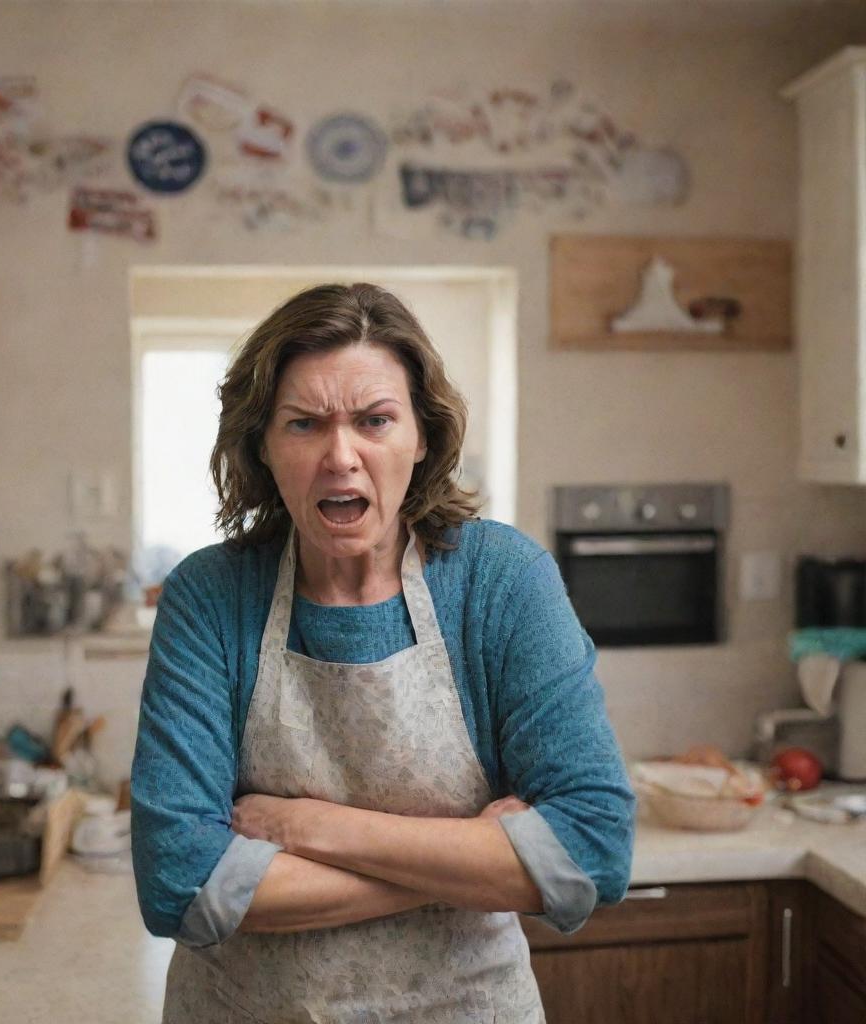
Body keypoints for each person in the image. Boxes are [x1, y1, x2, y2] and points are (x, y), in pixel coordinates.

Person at [131, 282, 635, 1023]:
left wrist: (312, 829)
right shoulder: (209, 597)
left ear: (421, 436)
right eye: (305, 424)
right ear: (263, 446)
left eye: (375, 420)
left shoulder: (502, 583)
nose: (342, 456)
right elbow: (181, 882)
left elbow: (591, 849)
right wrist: (478, 856)